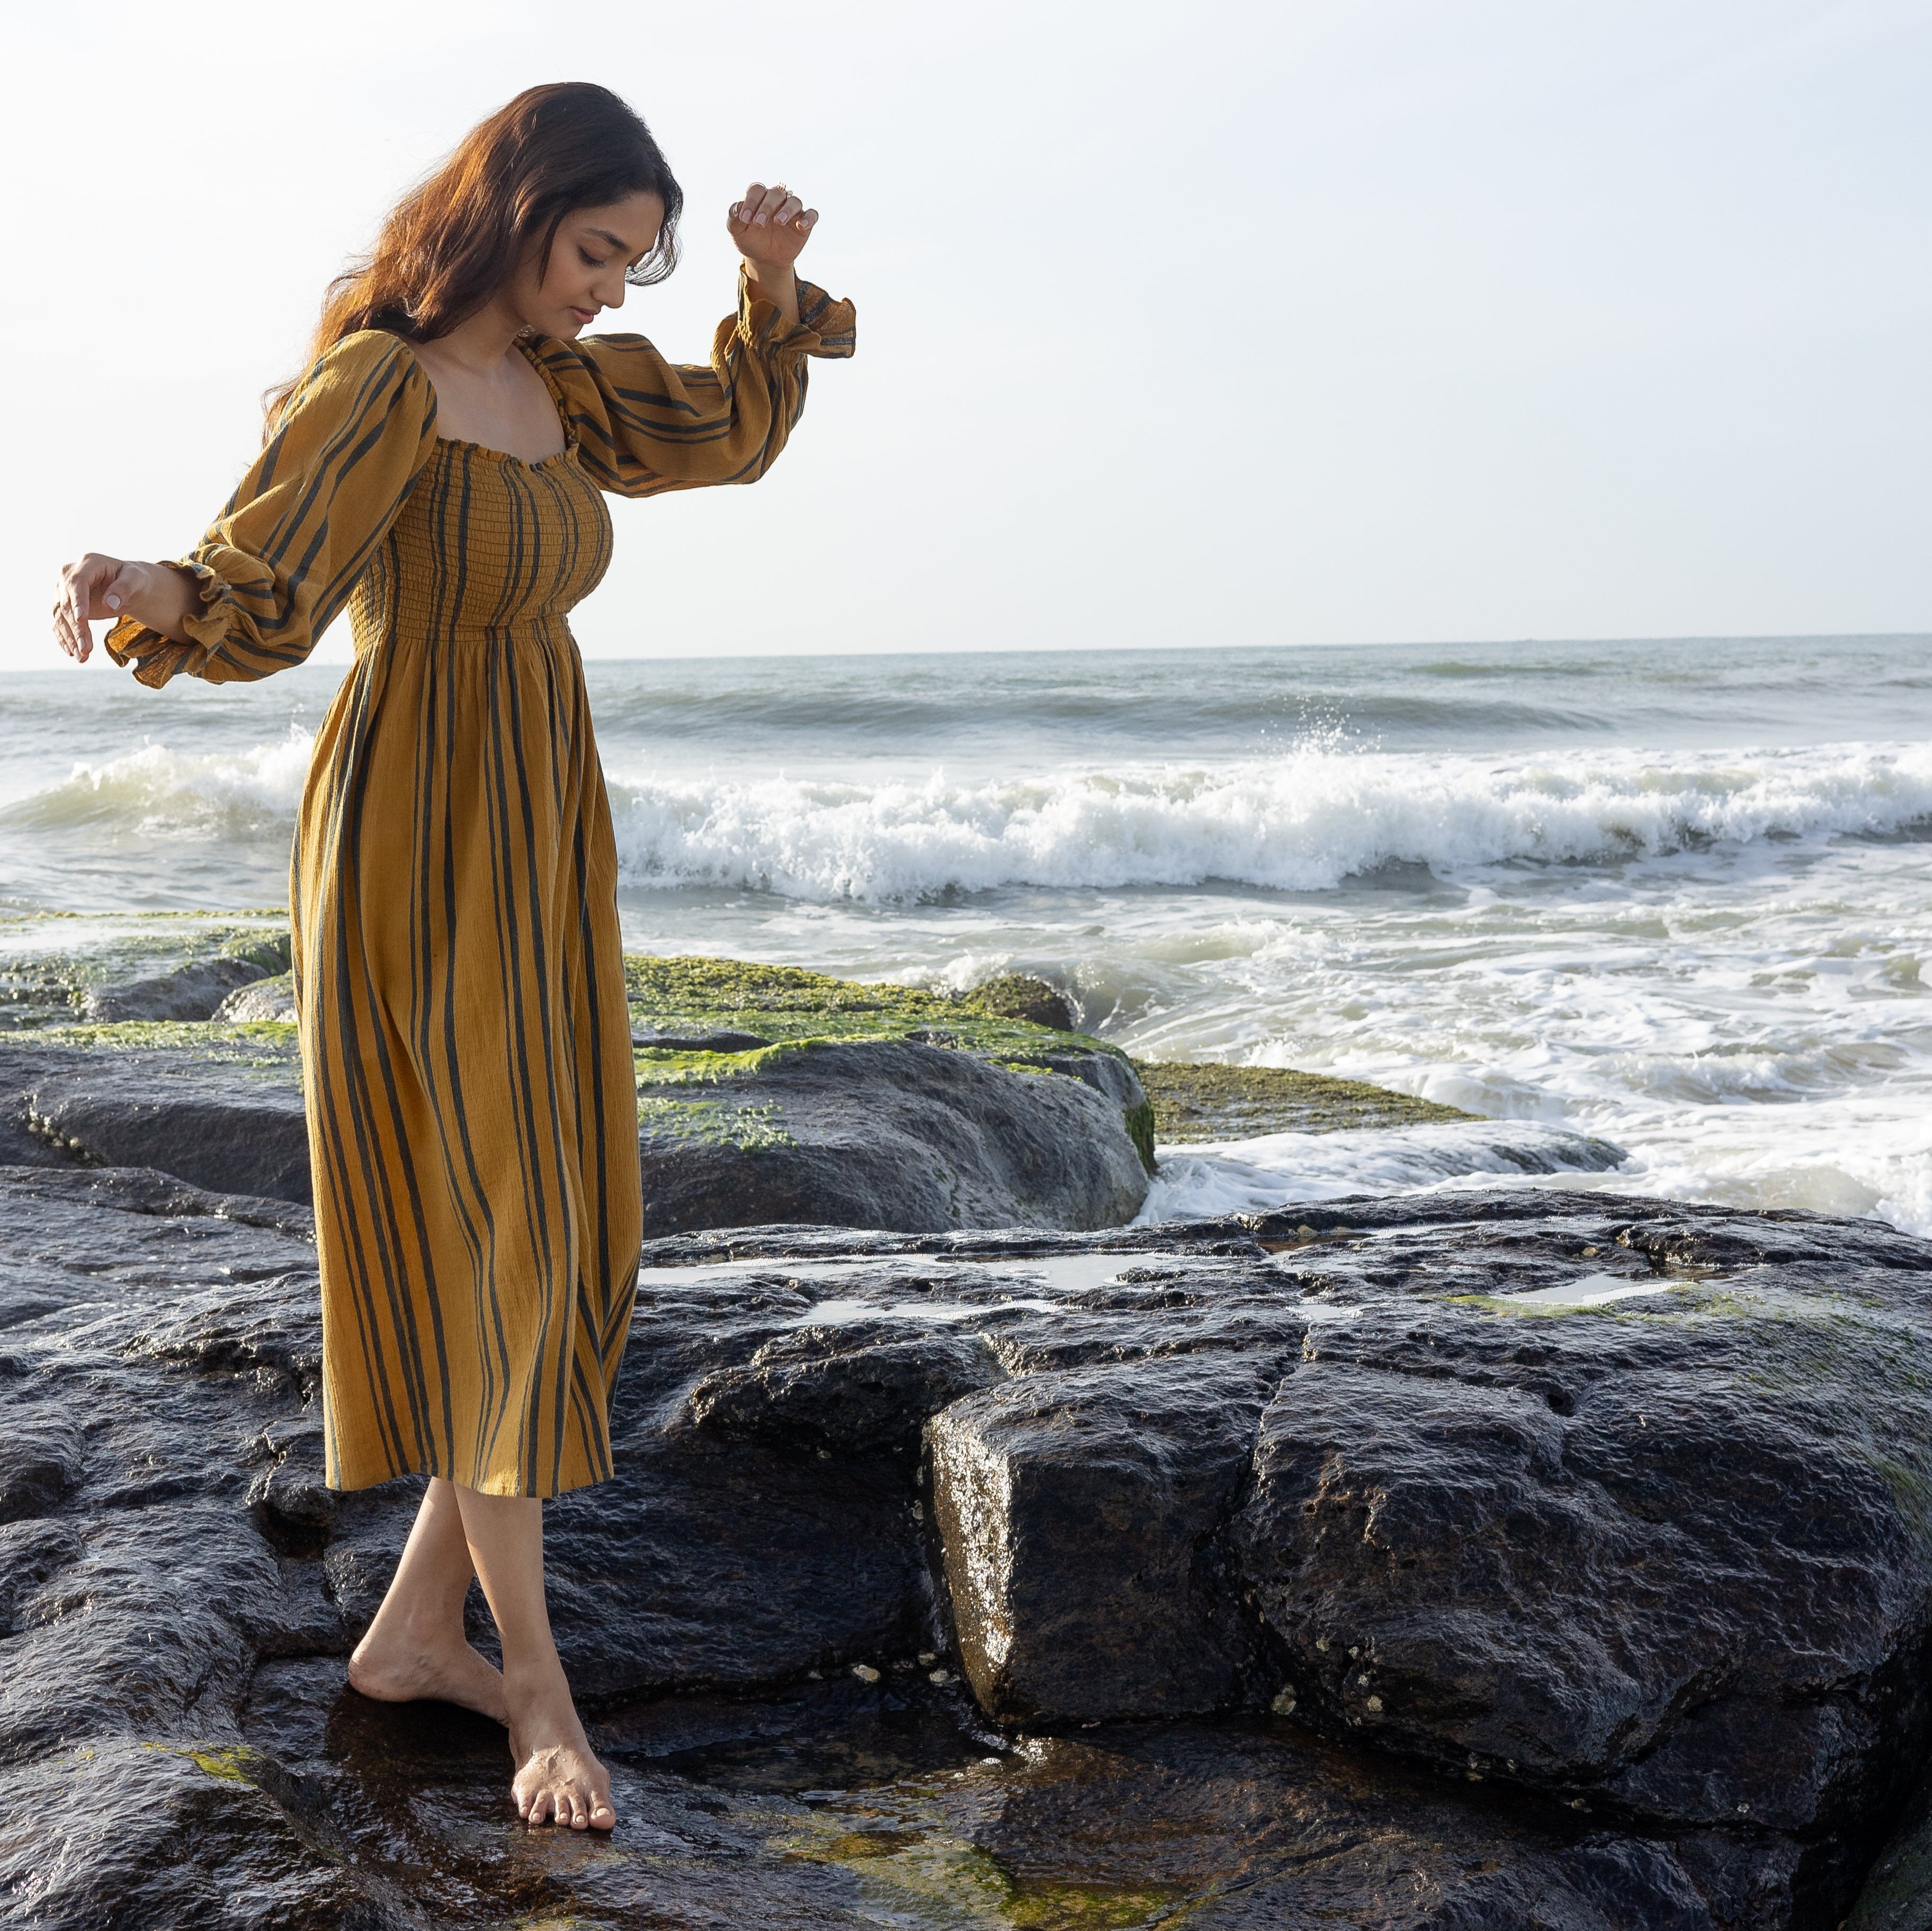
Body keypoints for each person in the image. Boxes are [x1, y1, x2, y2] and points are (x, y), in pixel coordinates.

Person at [49, 81, 853, 1833]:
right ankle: (536, 1693)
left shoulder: (568, 390)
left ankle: (415, 1638)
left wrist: (766, 288)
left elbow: (727, 431)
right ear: (514, 210)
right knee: (501, 1222)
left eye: (635, 269)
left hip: (544, 813)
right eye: (594, 253)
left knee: (569, 1231)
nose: (604, 294)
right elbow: (262, 579)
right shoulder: (381, 386)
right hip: (412, 824)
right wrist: (147, 585)